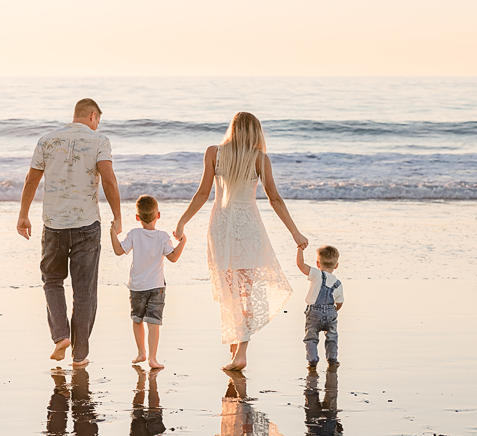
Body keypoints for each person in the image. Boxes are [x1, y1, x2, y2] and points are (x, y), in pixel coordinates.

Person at [174, 111, 308, 371]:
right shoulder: (260, 159)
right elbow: (275, 199)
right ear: (255, 132)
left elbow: (203, 193)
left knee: (230, 290)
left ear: (232, 129)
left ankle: (237, 350)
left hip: (221, 224)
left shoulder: (214, 152)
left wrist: (182, 222)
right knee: (244, 290)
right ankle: (240, 350)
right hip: (248, 226)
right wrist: (295, 233)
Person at [16, 98, 122, 368]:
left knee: (52, 281)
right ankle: (80, 355)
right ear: (92, 116)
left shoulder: (47, 140)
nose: (97, 125)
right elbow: (108, 179)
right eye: (97, 120)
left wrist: (23, 214)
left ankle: (61, 336)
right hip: (86, 225)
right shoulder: (99, 141)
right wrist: (118, 216)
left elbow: (31, 179)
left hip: (54, 225)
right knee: (84, 291)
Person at [110, 194, 186, 369]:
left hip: (136, 287)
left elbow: (118, 250)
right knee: (153, 322)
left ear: (137, 218)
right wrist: (183, 241)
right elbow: (173, 258)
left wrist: (113, 233)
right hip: (157, 287)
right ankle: (152, 358)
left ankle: (141, 353)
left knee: (137, 320)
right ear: (158, 215)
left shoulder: (134, 234)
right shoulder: (162, 236)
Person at [296, 245, 343, 368]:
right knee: (332, 337)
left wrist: (300, 249)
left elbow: (300, 264)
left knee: (311, 338)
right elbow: (340, 302)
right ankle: (332, 359)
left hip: (314, 314)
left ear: (318, 264)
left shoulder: (316, 274)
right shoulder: (338, 283)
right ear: (336, 265)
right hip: (330, 313)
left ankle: (312, 360)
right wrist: (334, 310)